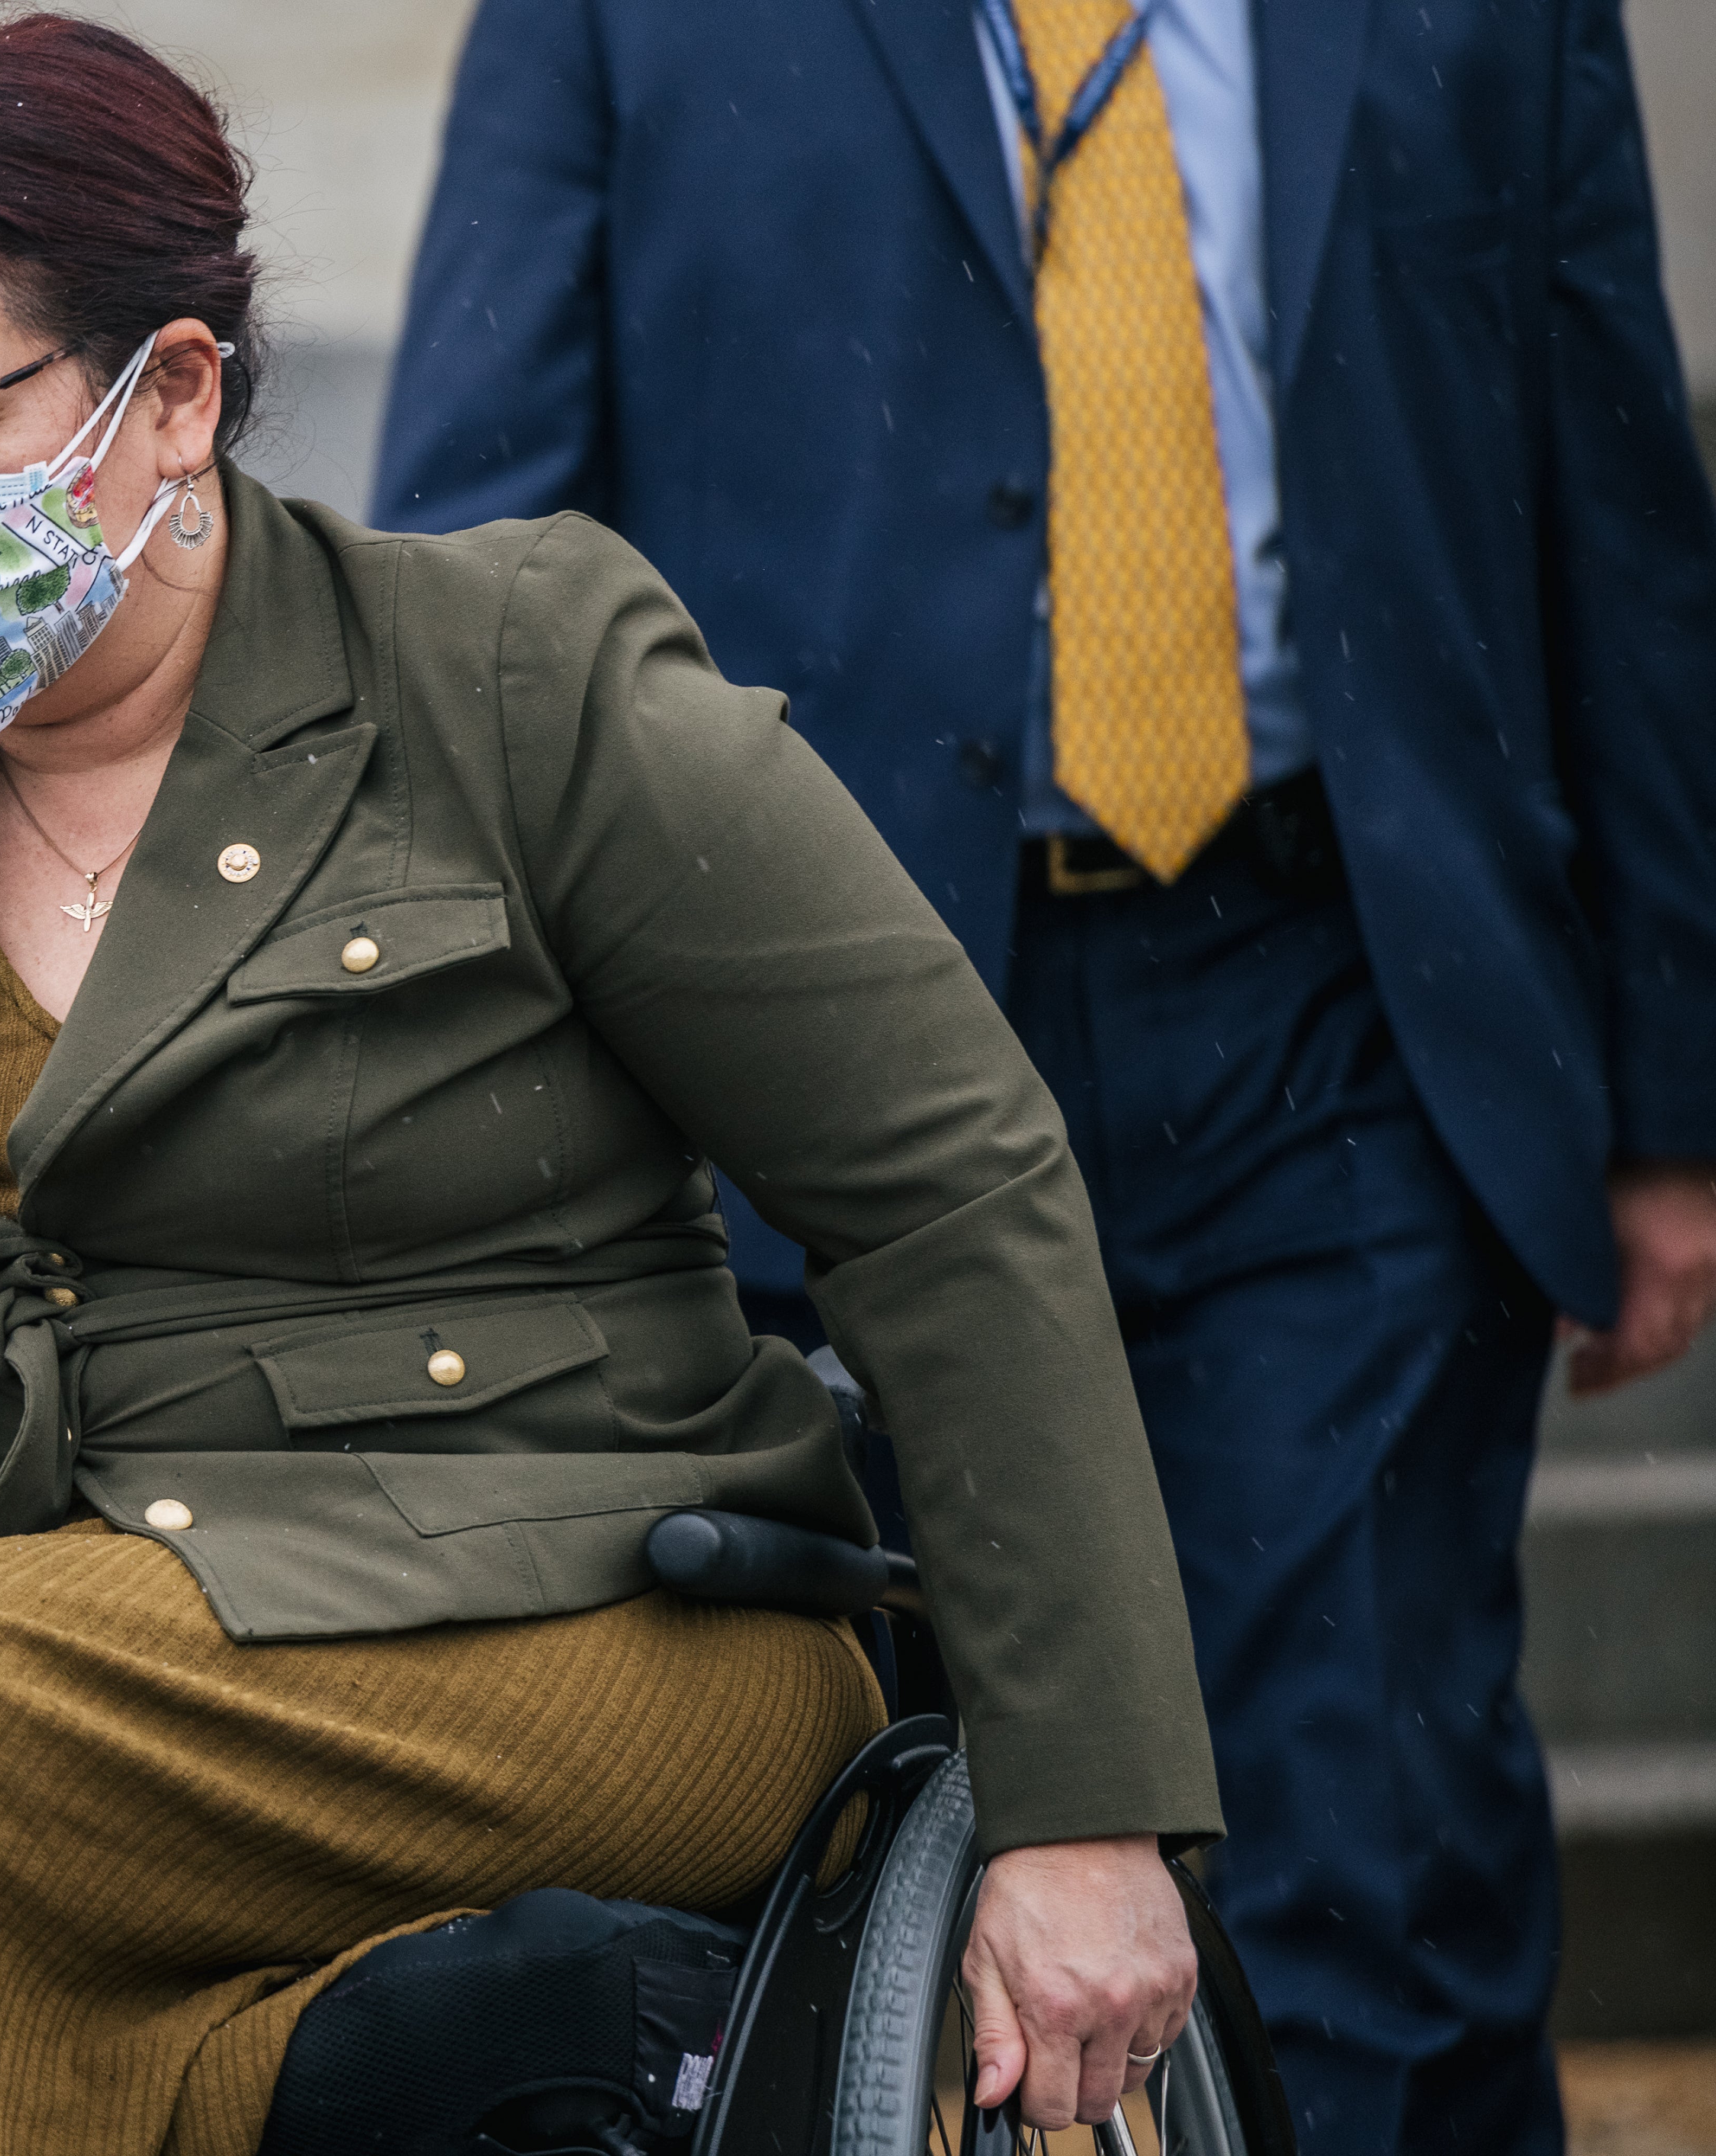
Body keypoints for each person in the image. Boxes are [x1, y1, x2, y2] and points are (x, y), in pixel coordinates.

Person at [0, 17, 1228, 2156]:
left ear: (172, 397)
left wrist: (1086, 1807)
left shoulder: (510, 676)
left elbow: (942, 1191)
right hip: (10, 1646)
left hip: (571, 1618)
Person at [371, 1, 1716, 2148]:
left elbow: (1619, 491)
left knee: (1344, 1829)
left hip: (1336, 1004)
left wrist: (1670, 1098)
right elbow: (474, 537)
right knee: (852, 1842)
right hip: (805, 1028)